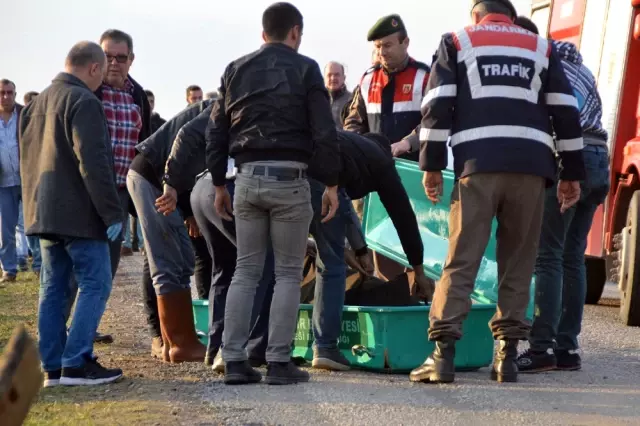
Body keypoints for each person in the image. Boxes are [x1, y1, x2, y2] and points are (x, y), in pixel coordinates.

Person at [410, 0, 585, 385]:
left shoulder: (457, 41)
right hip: (531, 170)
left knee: (461, 260)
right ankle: (506, 359)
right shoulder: (541, 47)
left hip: (478, 167)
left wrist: (432, 166)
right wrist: (572, 172)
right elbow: (565, 110)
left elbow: (437, 105)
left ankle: (443, 358)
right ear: (508, 13)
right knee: (519, 262)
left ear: (477, 14)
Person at [207, 2, 341, 385]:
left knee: (246, 271)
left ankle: (233, 360)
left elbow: (216, 130)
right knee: (286, 272)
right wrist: (330, 183)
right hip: (291, 180)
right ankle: (279, 363)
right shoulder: (307, 68)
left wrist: (219, 183)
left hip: (246, 178)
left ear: (263, 33)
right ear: (295, 32)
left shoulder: (236, 68)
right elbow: (324, 132)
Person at [20, 41, 124, 387]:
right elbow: (94, 164)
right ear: (93, 68)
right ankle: (77, 363)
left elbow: (28, 163)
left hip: (42, 213)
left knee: (52, 288)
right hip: (80, 215)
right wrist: (112, 214)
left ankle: (52, 366)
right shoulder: (84, 101)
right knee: (96, 282)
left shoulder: (34, 105)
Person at [513, 17, 611, 373]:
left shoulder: (545, 68)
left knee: (548, 256)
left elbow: (555, 123)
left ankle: (541, 349)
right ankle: (567, 349)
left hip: (571, 158)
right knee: (573, 256)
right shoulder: (578, 66)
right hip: (600, 158)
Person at [127, 101, 210, 363]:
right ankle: (179, 344)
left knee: (183, 259)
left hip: (164, 182)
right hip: (155, 180)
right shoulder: (224, 108)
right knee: (168, 261)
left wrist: (187, 211)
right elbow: (184, 140)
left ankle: (172, 342)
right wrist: (171, 186)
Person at [343, 14, 430, 161]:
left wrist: (408, 143)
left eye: (387, 45)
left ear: (405, 42)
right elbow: (354, 122)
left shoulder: (424, 77)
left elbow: (435, 121)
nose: (382, 52)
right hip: (374, 169)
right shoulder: (368, 79)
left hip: (414, 168)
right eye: (378, 46)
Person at [0, 78, 23, 284]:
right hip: (3, 183)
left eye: (9, 92)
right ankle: (9, 269)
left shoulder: (25, 115)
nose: (5, 96)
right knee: (5, 231)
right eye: (2, 92)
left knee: (35, 225)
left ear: (15, 94)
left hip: (27, 179)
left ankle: (40, 265)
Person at [324, 61, 351, 127]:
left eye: (337, 75)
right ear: (324, 78)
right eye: (329, 75)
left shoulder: (352, 101)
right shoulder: (316, 100)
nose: (333, 78)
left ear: (344, 78)